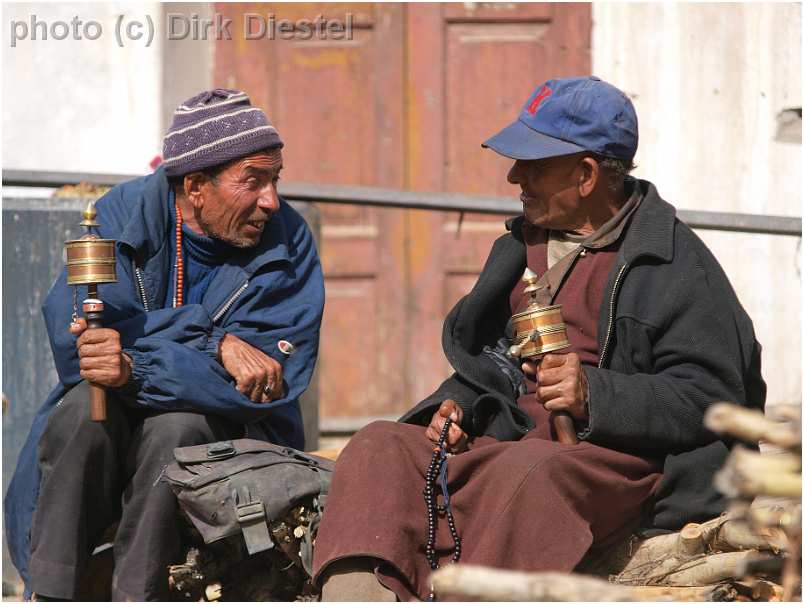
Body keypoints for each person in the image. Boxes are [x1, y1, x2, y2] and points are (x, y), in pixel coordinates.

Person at [311, 76, 766, 601]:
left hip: (624, 461)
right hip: (519, 441)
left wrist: (593, 393)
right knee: (379, 444)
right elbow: (497, 361)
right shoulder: (522, 248)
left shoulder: (674, 266)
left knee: (527, 475)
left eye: (534, 165)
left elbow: (713, 398)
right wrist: (459, 407)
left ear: (587, 174)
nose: (514, 177)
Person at [4, 89, 325, 601]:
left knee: (178, 429)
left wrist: (135, 363)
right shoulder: (118, 216)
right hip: (115, 429)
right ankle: (49, 593)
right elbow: (81, 352)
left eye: (275, 179)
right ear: (195, 186)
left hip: (227, 443)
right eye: (254, 181)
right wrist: (212, 340)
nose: (271, 200)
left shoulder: (289, 241)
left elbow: (262, 386)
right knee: (81, 416)